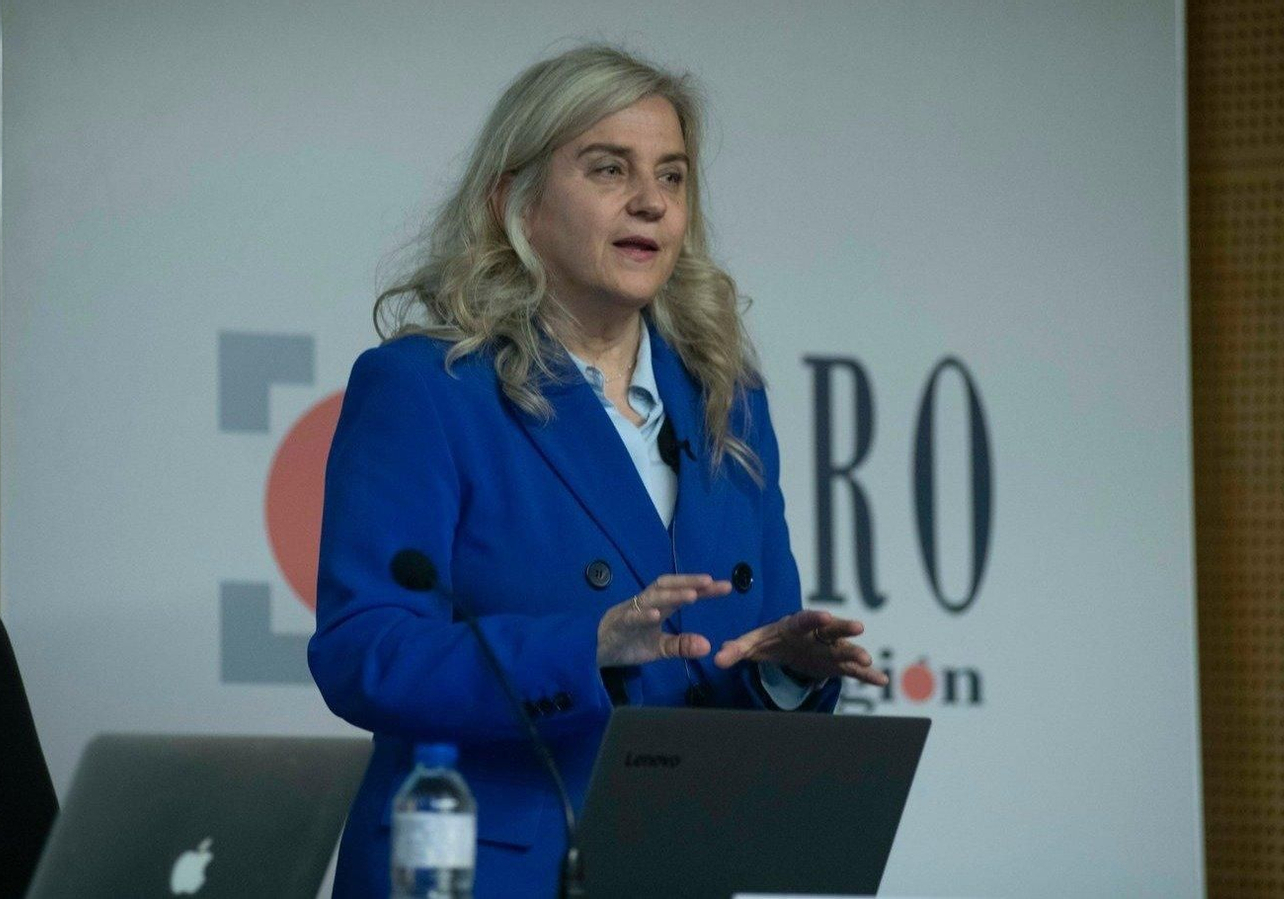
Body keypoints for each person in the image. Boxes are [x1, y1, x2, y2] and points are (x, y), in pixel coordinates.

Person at [308, 43, 889, 899]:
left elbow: (732, 663)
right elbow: (364, 652)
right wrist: (587, 644)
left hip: (671, 868)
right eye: (609, 169)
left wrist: (783, 669)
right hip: (479, 871)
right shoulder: (428, 388)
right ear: (514, 200)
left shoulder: (729, 403)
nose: (650, 200)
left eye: (672, 176)